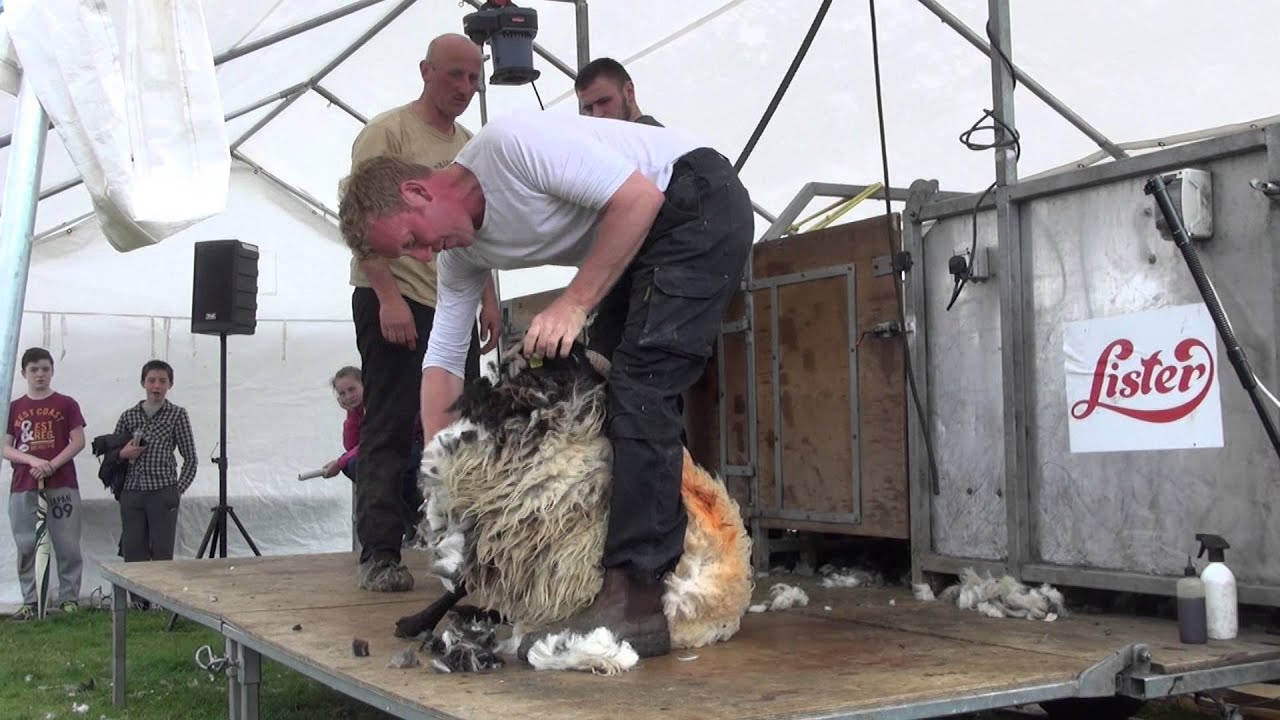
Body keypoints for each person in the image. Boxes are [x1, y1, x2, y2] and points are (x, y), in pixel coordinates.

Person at [337, 110, 753, 658]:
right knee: (605, 386)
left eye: (413, 239)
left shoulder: (510, 148)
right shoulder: (461, 256)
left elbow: (638, 199)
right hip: (641, 236)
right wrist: (444, 473)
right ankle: (612, 574)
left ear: (417, 192)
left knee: (641, 387)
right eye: (407, 255)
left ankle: (637, 596)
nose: (422, 255)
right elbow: (442, 358)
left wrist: (574, 304)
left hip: (694, 199)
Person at [346, 33, 501, 592]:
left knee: (462, 427)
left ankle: (461, 553)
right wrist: (388, 298)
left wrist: (488, 297)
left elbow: (477, 228)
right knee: (390, 423)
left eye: (473, 77)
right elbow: (361, 218)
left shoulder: (471, 144)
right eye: (454, 74)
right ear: (425, 71)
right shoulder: (387, 133)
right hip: (396, 296)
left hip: (453, 302)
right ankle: (380, 553)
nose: (465, 87)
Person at [3, 347, 87, 620]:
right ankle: (32, 600)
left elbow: (78, 441)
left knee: (67, 543)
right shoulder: (13, 407)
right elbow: (5, 447)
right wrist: (32, 461)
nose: (40, 374)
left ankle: (69, 599)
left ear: (52, 371)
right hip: (24, 485)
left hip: (62, 484)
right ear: (24, 373)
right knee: (27, 544)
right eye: (34, 370)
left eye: (45, 369)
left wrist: (52, 464)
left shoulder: (66, 404)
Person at [112, 360, 197, 578]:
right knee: (133, 552)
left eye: (162, 381)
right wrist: (123, 454)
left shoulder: (177, 414)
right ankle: (137, 596)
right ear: (143, 383)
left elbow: (190, 458)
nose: (156, 386)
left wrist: (178, 489)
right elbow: (111, 455)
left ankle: (161, 594)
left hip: (163, 491)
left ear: (170, 384)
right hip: (132, 491)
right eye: (151, 380)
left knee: (162, 552)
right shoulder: (129, 416)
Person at [574, 57, 663, 126]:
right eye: (589, 108)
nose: (597, 114)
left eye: (604, 101)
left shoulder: (652, 139)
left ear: (629, 92)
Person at [323, 366, 364, 482]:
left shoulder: (378, 407)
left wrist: (340, 463)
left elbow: (372, 442)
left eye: (352, 389)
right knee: (349, 461)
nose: (348, 396)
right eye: (342, 393)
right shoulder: (357, 412)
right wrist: (351, 412)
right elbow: (351, 446)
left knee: (352, 462)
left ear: (365, 384)